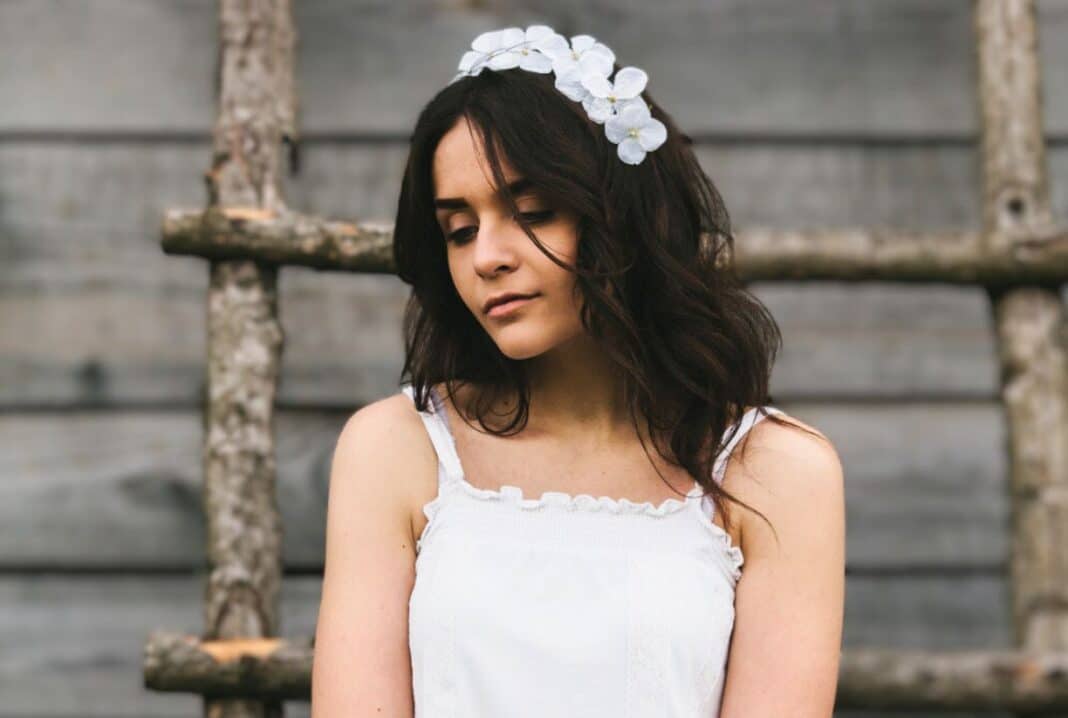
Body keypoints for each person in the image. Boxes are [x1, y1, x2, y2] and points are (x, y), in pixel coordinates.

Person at [312, 25, 845, 718]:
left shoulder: (776, 472)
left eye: (533, 212)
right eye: (460, 230)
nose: (487, 257)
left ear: (625, 217)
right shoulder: (395, 449)